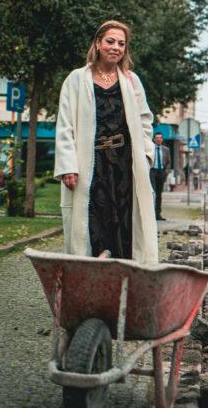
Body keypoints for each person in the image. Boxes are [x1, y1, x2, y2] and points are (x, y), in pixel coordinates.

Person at [54, 20, 158, 264]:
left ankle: (125, 272)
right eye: (110, 41)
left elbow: (145, 121)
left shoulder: (132, 81)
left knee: (125, 216)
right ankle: (93, 269)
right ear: (98, 43)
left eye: (121, 43)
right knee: (93, 214)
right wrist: (68, 165)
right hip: (90, 161)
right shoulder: (76, 79)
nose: (116, 47)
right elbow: (65, 124)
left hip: (125, 161)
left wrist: (145, 156)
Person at [150, 132, 171, 221]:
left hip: (161, 172)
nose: (159, 139)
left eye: (160, 138)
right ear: (154, 139)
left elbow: (169, 162)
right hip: (152, 172)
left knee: (159, 194)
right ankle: (151, 214)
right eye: (157, 138)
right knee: (152, 193)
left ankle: (158, 214)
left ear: (162, 139)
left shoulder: (166, 149)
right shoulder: (150, 149)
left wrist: (166, 172)